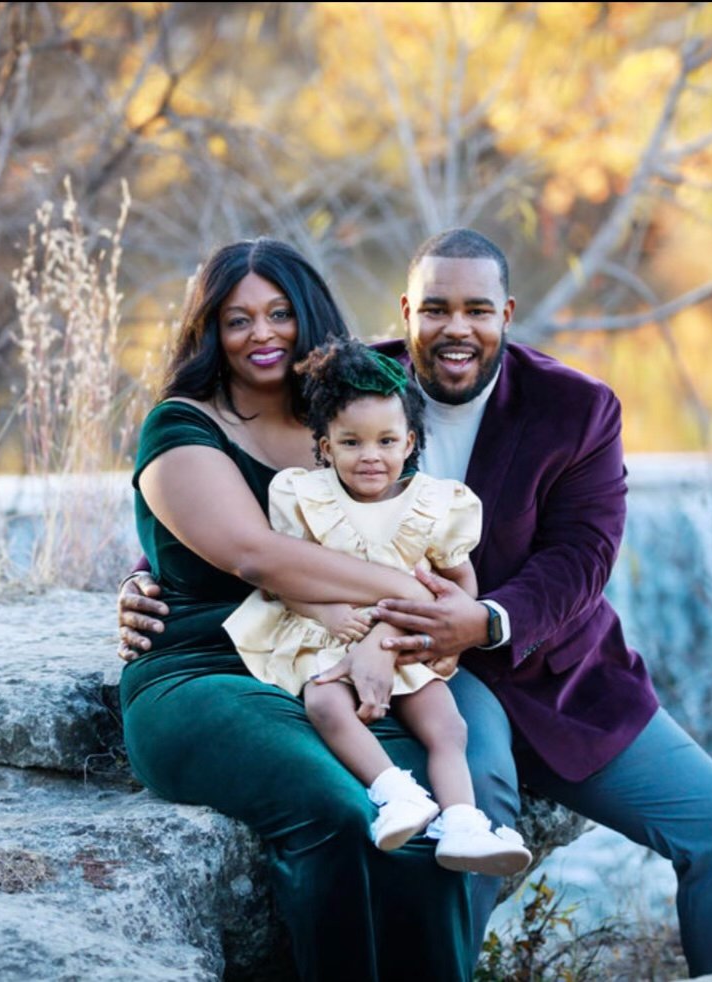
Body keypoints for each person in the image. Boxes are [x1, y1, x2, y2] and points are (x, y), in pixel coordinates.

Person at [120, 228, 712, 977]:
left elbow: (581, 558)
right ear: (406, 312)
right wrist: (145, 577)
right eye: (435, 309)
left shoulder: (575, 408)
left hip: (547, 667)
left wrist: (487, 620)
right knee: (456, 799)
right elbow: (246, 520)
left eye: (476, 310)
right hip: (406, 665)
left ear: (507, 312)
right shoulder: (347, 388)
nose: (455, 328)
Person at [121, 236, 504, 982]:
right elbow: (252, 554)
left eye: (278, 313)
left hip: (351, 658)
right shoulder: (180, 426)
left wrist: (398, 632)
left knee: (433, 811)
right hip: (207, 675)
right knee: (337, 808)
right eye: (237, 320)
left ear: (310, 318)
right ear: (210, 332)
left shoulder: (355, 421)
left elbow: (421, 544)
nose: (261, 335)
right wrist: (416, 600)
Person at [224, 337, 532, 875]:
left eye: (387, 441)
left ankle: (462, 822)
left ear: (410, 442)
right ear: (324, 446)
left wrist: (454, 615)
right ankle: (396, 792)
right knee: (324, 704)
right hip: (328, 637)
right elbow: (282, 579)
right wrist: (325, 614)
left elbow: (459, 579)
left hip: (406, 641)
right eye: (352, 442)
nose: (371, 456)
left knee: (448, 726)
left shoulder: (436, 504)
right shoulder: (304, 494)